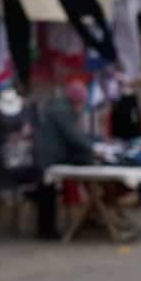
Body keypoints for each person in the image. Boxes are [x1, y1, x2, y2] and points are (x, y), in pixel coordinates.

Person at [34, 80, 97, 240]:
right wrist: (93, 149)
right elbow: (74, 137)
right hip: (50, 158)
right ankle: (47, 231)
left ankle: (46, 230)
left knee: (46, 194)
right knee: (47, 194)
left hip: (45, 156)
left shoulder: (58, 108)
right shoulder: (63, 111)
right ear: (77, 101)